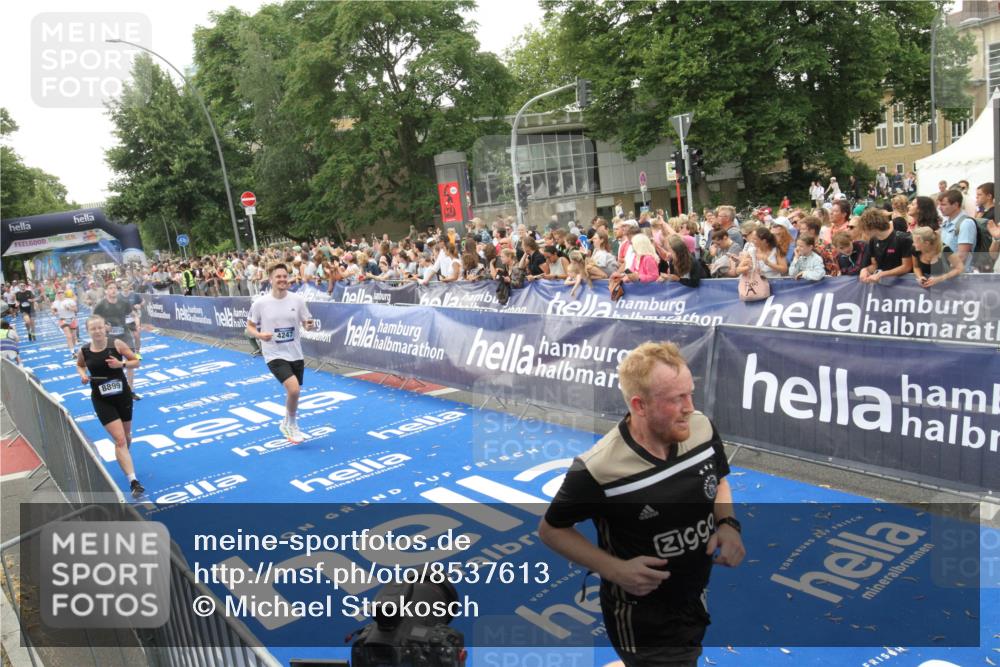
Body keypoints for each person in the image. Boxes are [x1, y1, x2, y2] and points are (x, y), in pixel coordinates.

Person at [539, 341, 744, 667]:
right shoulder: (598, 468)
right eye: (677, 399)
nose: (690, 407)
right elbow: (551, 530)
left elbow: (719, 481)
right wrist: (614, 569)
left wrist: (727, 525)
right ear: (640, 405)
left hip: (694, 596)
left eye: (691, 393)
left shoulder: (700, 429)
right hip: (642, 616)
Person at [245, 263, 317, 444]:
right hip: (273, 353)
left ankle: (286, 421)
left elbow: (307, 321)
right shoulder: (260, 303)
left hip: (295, 352)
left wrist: (309, 325)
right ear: (270, 280)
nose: (282, 279)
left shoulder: (297, 300)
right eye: (278, 277)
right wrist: (260, 335)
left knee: (295, 393)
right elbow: (249, 327)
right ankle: (292, 424)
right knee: (294, 389)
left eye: (285, 276)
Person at [76, 314, 144, 498]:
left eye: (99, 327)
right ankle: (134, 482)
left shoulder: (117, 344)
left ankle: (123, 455)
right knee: (120, 439)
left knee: (126, 437)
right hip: (102, 399)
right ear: (88, 331)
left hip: (122, 397)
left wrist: (120, 364)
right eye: (93, 328)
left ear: (105, 328)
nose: (97, 331)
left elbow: (136, 361)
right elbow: (80, 365)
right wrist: (82, 375)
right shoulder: (84, 350)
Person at [859, 209, 913, 284]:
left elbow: (906, 267)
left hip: (904, 284)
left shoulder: (902, 238)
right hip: (884, 285)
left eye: (864, 229)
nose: (863, 233)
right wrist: (865, 270)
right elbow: (875, 265)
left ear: (872, 227)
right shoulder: (872, 241)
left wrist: (882, 274)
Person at [937, 189, 977, 271]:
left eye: (943, 204)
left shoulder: (966, 223)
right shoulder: (946, 223)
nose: (940, 208)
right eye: (939, 204)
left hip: (960, 277)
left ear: (955, 205)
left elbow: (962, 256)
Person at [51, 289, 79, 355]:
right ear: (57, 295)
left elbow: (76, 310)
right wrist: (54, 312)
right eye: (58, 293)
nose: (60, 294)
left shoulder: (70, 301)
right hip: (63, 320)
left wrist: (69, 308)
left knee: (73, 337)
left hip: (72, 319)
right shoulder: (55, 303)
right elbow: (53, 311)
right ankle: (72, 353)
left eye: (61, 293)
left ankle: (72, 347)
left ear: (64, 294)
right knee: (68, 336)